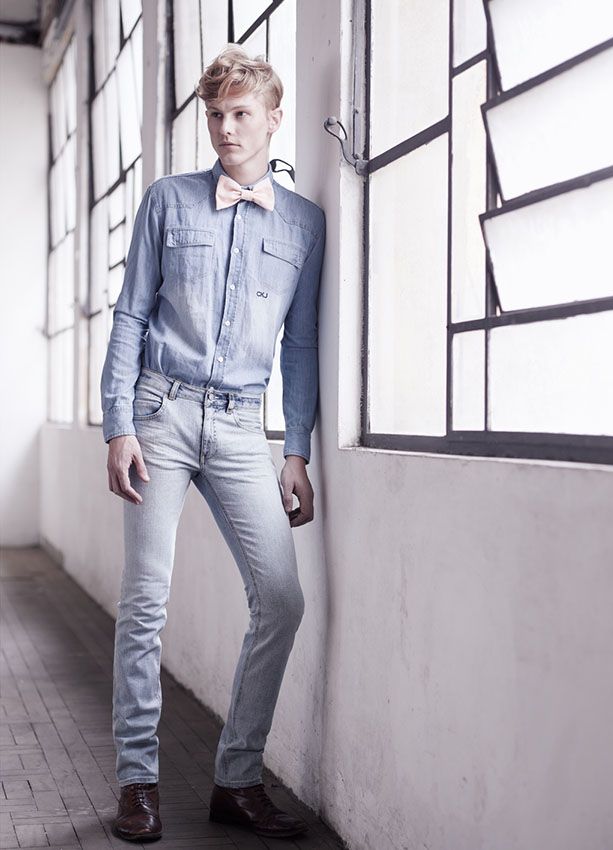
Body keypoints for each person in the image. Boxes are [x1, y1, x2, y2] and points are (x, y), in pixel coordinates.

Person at [100, 43, 326, 842]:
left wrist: (294, 449)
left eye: (240, 113)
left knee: (282, 600)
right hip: (159, 413)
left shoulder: (304, 224)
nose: (225, 128)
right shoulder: (168, 200)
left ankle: (236, 779)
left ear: (273, 118)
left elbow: (301, 344)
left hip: (239, 426)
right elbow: (131, 314)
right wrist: (119, 425)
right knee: (145, 603)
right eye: (216, 114)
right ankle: (137, 784)